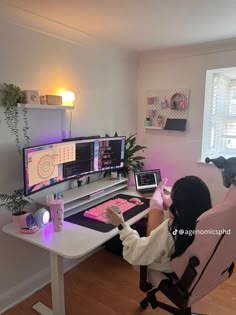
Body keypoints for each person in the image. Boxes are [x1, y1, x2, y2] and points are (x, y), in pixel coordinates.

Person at [105, 176, 212, 273]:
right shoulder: (205, 221)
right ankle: (159, 191)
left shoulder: (170, 229)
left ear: (177, 206)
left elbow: (136, 253)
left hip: (165, 267)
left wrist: (120, 224)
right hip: (185, 264)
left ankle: (158, 191)